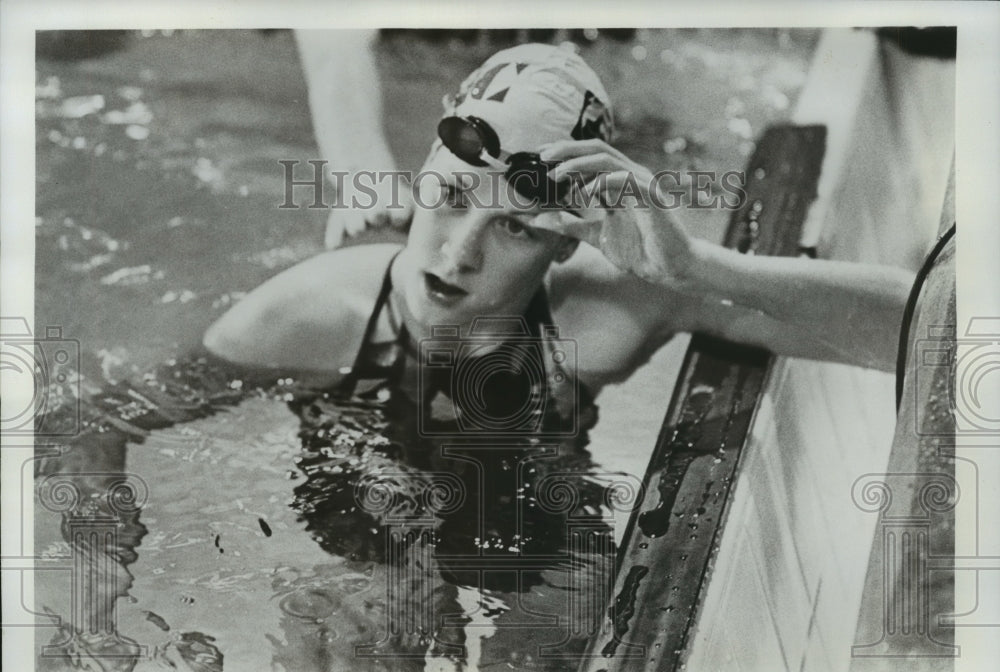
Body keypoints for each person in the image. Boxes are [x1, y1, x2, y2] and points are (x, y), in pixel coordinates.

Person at [204, 43, 913, 410]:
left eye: (514, 228)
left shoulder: (603, 312)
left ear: (564, 241)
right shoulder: (305, 316)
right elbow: (111, 426)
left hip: (539, 519)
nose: (458, 254)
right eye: (450, 195)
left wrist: (696, 269)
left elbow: (934, 330)